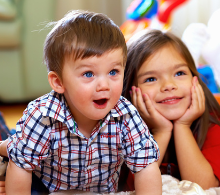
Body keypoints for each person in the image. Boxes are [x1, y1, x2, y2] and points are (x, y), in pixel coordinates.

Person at [0, 10, 162, 195]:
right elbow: (21, 167)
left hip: (99, 191)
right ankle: (9, 144)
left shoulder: (125, 115)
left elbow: (146, 166)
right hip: (44, 187)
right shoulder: (43, 116)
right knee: (14, 162)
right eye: (88, 74)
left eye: (113, 72)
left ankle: (12, 143)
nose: (104, 85)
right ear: (59, 82)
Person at [122, 29, 220, 190]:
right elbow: (129, 188)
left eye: (179, 73)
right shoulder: (119, 129)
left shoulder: (212, 122)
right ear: (129, 90)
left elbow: (206, 188)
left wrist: (183, 126)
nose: (168, 86)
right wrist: (161, 131)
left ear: (195, 79)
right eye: (151, 79)